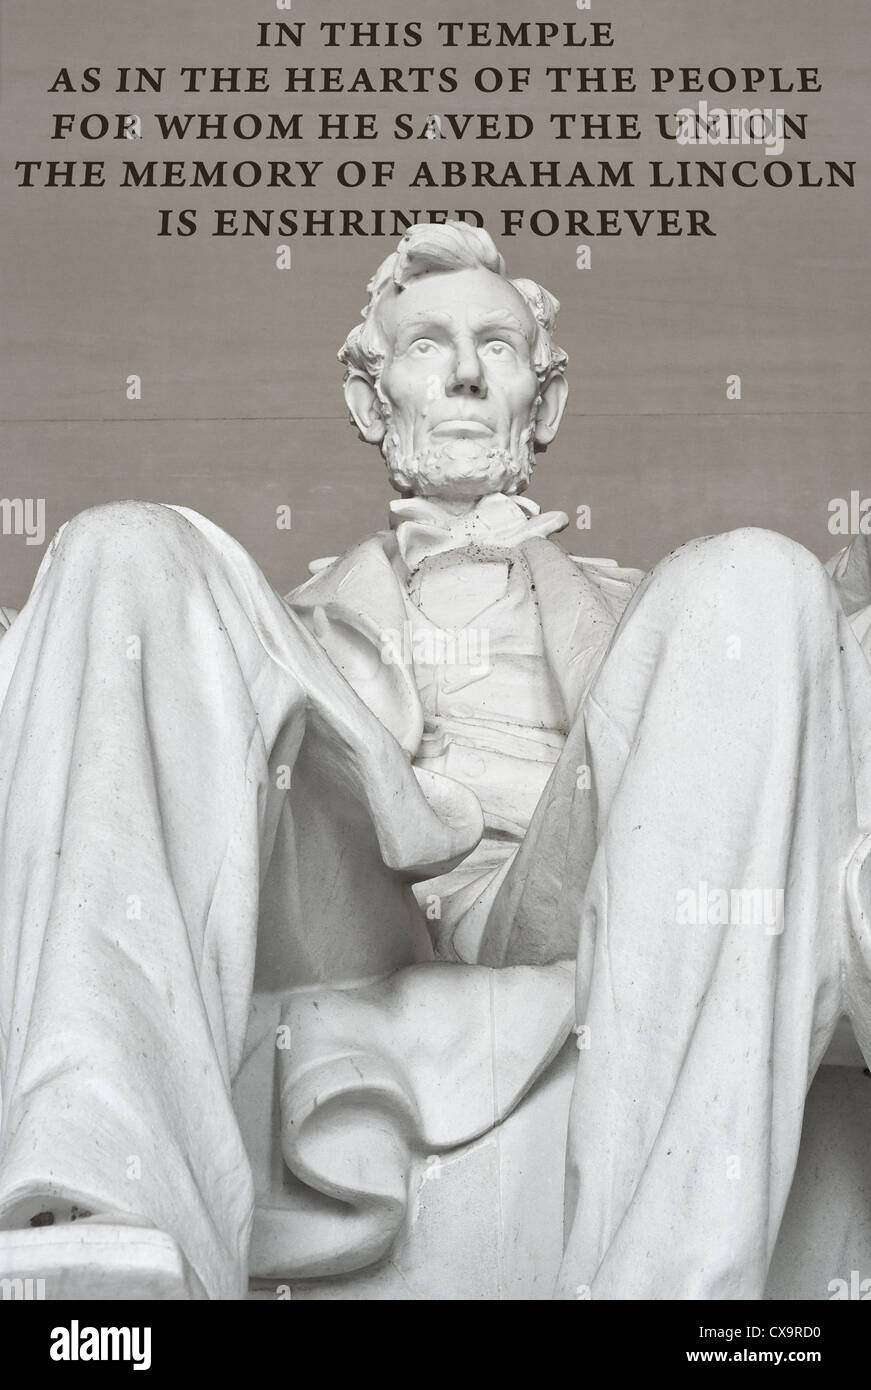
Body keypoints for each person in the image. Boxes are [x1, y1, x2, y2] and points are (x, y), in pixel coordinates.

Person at [0, 221, 869, 1300]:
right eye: (427, 346)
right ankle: (104, 1217)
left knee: (760, 579)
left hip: (574, 874)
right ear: (374, 399)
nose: (462, 372)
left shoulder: (657, 611)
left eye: (497, 347)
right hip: (350, 883)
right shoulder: (271, 625)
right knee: (120, 547)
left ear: (539, 403)